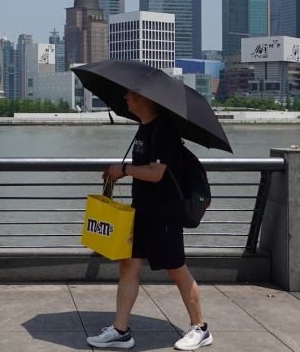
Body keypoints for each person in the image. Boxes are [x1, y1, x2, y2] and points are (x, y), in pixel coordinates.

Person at [86, 91, 212, 351]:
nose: (126, 99)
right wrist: (121, 172)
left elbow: (156, 174)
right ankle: (121, 331)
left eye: (131, 96)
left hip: (165, 215)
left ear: (148, 100)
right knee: (128, 267)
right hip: (142, 211)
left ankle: (200, 328)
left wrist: (123, 170)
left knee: (177, 270)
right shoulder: (144, 129)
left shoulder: (164, 131)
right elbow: (145, 169)